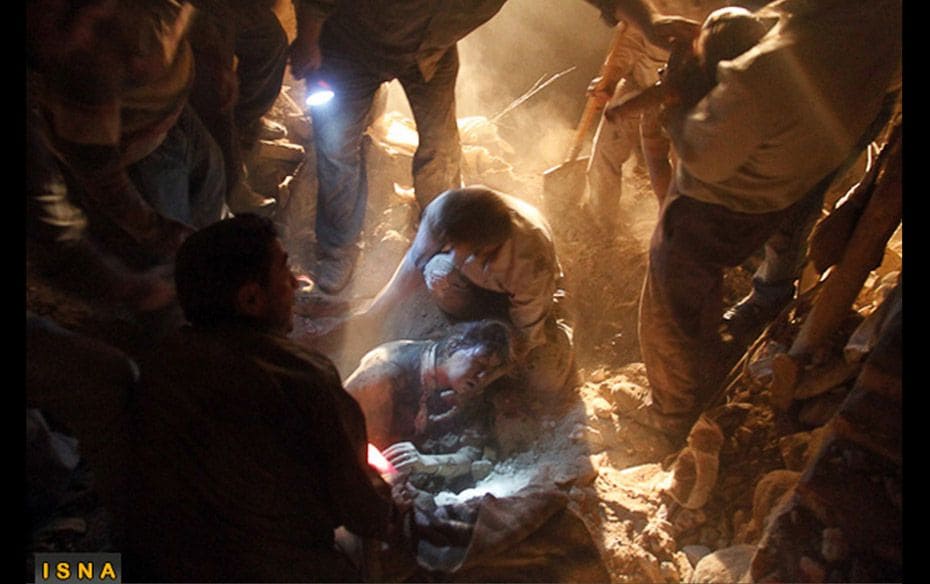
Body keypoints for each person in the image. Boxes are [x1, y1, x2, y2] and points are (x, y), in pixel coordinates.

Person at [288, 0, 706, 294]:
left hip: (430, 55)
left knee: (440, 145)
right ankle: (338, 249)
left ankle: (447, 234)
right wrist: (308, 39)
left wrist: (650, 22)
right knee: (337, 149)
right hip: (352, 49)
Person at [628, 0, 901, 439]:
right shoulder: (880, 17)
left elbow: (703, 158)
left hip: (723, 203)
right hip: (800, 170)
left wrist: (678, 113)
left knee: (673, 291)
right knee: (786, 227)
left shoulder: (763, 72)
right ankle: (758, 304)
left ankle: (674, 413)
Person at [126, 214, 409, 581]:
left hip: (160, 565)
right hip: (275, 570)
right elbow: (362, 512)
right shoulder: (303, 377)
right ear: (251, 298)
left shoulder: (161, 360)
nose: (295, 283)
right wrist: (394, 501)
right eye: (284, 271)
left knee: (57, 574)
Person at [26, 0, 226, 269]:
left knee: (209, 195)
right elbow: (95, 166)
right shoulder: (95, 40)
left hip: (171, 116)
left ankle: (213, 264)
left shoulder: (147, 17)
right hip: (135, 152)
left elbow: (190, 14)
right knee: (175, 260)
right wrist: (151, 227)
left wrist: (216, 58)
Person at [348, 186, 576, 403]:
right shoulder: (445, 212)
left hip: (524, 308)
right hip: (474, 287)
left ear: (489, 247)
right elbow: (413, 265)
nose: (456, 257)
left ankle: (562, 331)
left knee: (544, 382)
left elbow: (525, 338)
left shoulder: (530, 260)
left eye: (473, 253)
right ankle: (462, 327)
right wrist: (372, 315)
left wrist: (486, 377)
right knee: (440, 271)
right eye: (451, 246)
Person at [345, 319, 513, 482]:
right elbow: (366, 458)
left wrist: (426, 463)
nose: (482, 377)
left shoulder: (461, 386)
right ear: (453, 346)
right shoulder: (383, 376)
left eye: (491, 374)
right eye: (480, 362)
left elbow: (472, 454)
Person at [187, 0, 294, 216]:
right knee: (217, 91)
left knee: (271, 40)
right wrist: (218, 61)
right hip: (189, 10)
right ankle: (233, 185)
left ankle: (244, 122)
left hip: (226, 6)